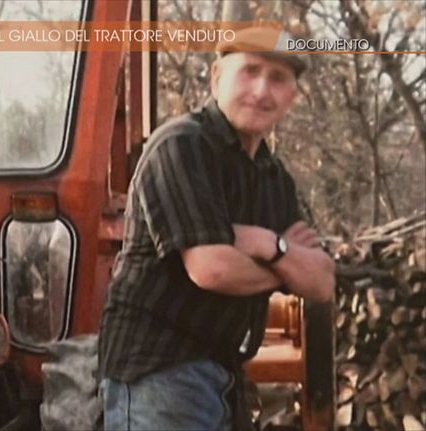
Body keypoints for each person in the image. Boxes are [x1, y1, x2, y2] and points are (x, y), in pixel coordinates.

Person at [98, 27, 336, 431]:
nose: (261, 90)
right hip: (159, 371)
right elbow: (212, 269)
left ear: (292, 97)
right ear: (216, 77)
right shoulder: (182, 146)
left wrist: (266, 244)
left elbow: (321, 283)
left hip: (226, 374)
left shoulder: (273, 176)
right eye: (250, 71)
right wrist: (286, 264)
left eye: (277, 79)